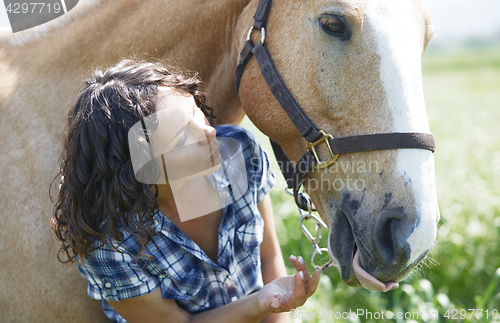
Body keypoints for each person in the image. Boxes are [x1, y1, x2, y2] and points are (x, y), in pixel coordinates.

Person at [51, 59, 320, 323]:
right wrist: (259, 304)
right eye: (182, 137)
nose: (209, 132)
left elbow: (268, 256)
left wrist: (275, 308)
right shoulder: (109, 244)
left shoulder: (241, 152)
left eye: (195, 111)